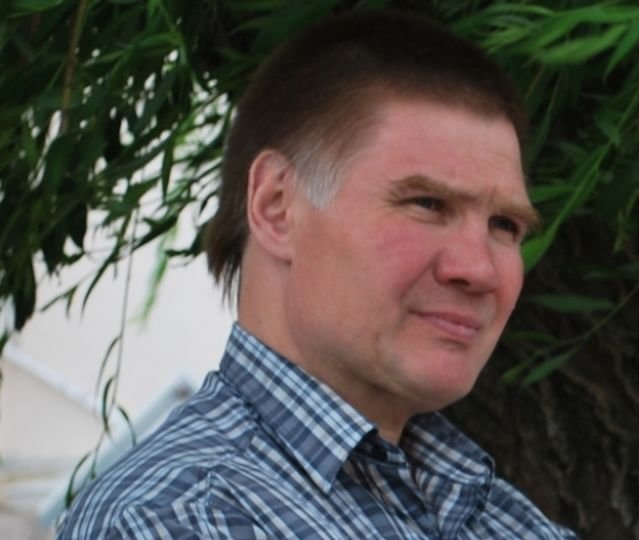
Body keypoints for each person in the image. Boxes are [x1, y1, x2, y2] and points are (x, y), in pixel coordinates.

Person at [58, 9, 578, 539]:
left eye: (505, 225)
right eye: (427, 204)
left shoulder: (498, 516)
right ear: (277, 207)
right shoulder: (176, 519)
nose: (479, 269)